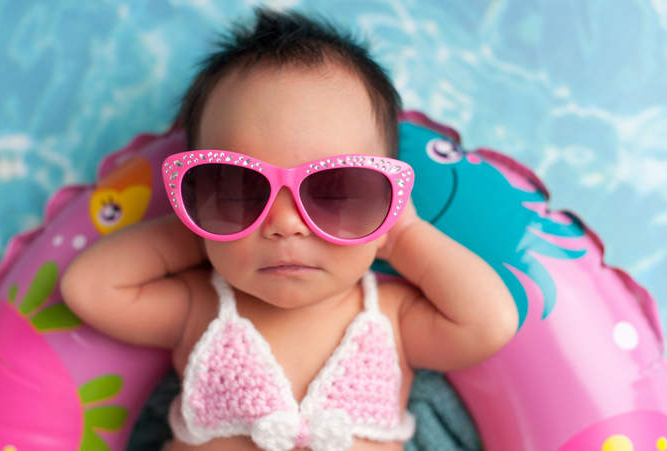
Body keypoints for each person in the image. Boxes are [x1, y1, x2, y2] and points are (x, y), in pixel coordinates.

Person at [61, 8, 517, 451]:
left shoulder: (392, 319)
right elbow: (90, 287)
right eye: (237, 190)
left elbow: (489, 323)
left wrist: (404, 237)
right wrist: (206, 224)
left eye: (336, 192)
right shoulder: (197, 308)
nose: (285, 224)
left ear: (385, 205)